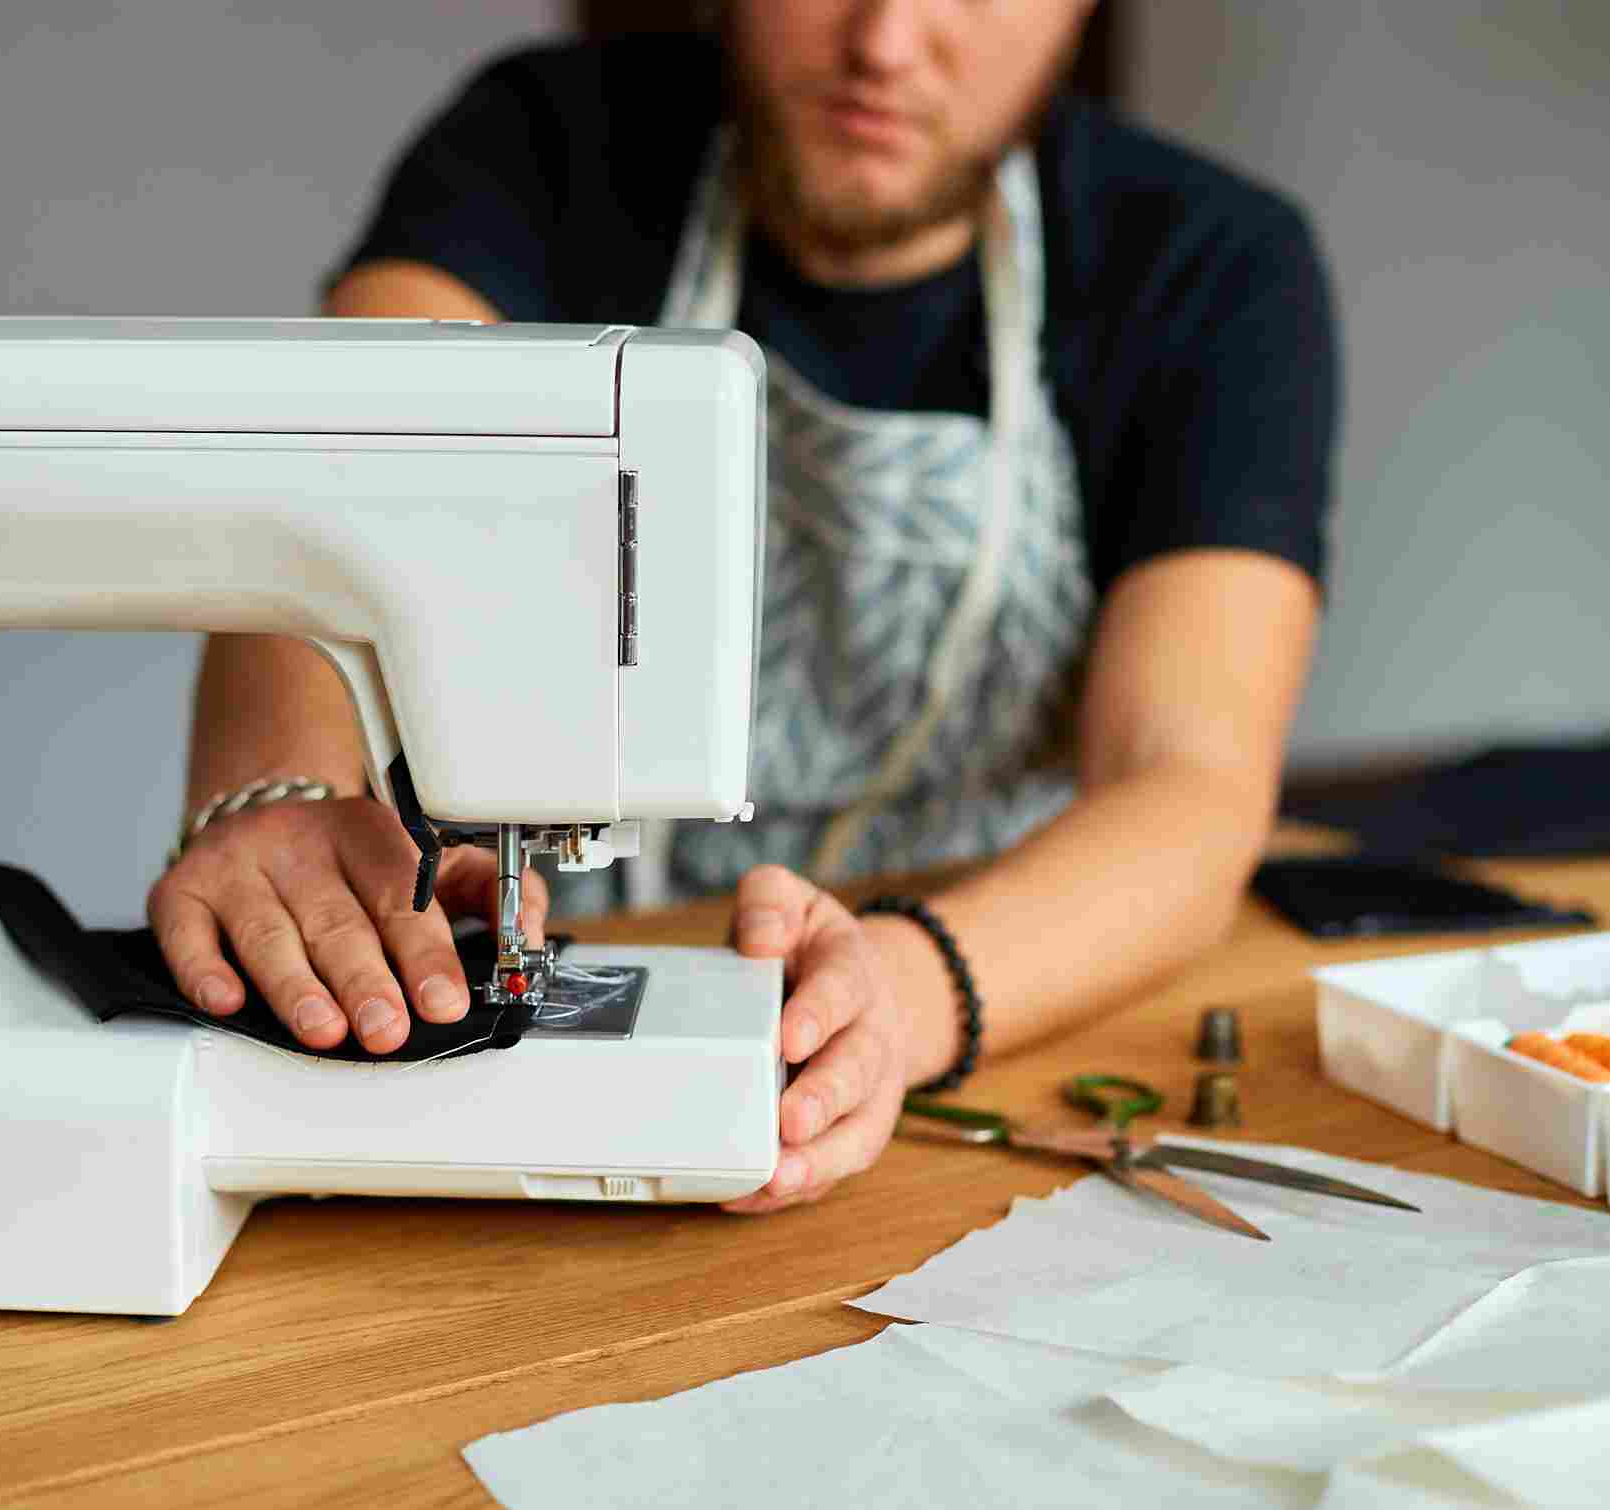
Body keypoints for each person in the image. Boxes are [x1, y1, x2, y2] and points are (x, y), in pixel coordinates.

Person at [149, 0, 1337, 1213]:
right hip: (538, 934)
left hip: (983, 982)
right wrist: (285, 789)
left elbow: (1187, 781)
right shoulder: (543, 145)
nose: (885, 39)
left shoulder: (1210, 265)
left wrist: (897, 998)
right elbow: (338, 468)